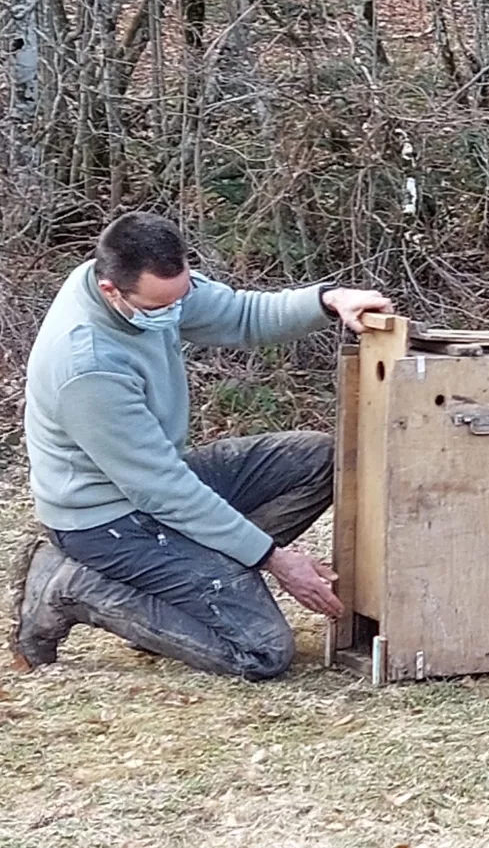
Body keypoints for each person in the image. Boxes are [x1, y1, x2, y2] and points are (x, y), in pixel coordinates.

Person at [8, 212, 393, 680]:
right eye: (160, 306)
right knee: (263, 652)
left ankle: (201, 578)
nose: (175, 312)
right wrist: (273, 558)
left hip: (156, 484)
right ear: (113, 291)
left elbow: (243, 316)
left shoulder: (144, 287)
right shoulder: (86, 366)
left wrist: (329, 300)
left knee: (320, 460)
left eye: (182, 296)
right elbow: (161, 490)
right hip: (107, 520)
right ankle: (72, 586)